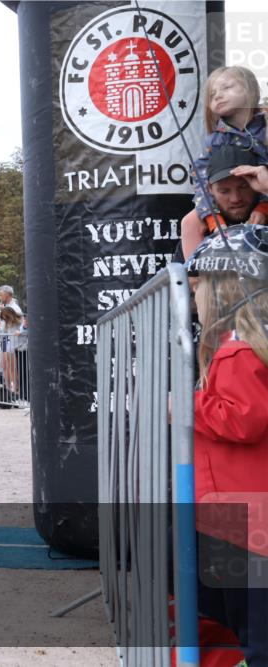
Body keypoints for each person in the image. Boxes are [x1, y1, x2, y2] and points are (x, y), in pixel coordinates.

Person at [185, 224, 268, 666]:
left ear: (223, 289)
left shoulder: (238, 351)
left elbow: (244, 417)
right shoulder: (244, 347)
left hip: (245, 518)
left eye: (199, 285)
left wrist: (185, 406)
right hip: (241, 513)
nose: (193, 294)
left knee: (255, 629)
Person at [181, 66, 268, 260]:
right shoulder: (214, 140)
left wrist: (264, 207)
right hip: (225, 208)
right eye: (213, 95)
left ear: (250, 89)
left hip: (263, 196)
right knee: (190, 222)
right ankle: (194, 274)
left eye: (227, 88)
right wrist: (212, 218)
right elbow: (200, 181)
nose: (218, 96)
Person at [179, 145, 265, 260]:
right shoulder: (197, 226)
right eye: (224, 191)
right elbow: (188, 272)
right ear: (209, 189)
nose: (235, 199)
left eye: (243, 187)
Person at [0, 286, 23, 395]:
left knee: (12, 366)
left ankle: (15, 389)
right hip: (5, 340)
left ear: (7, 294)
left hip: (12, 340)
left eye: (0, 295)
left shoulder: (15, 307)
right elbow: (3, 326)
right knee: (4, 365)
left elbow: (19, 322)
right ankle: (7, 388)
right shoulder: (6, 307)